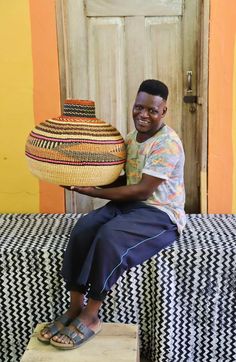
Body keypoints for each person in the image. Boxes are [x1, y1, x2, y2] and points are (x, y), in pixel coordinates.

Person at [38, 79, 186, 349]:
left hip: (160, 212)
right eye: (139, 107)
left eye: (152, 110)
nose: (143, 115)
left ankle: (92, 314)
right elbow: (123, 179)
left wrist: (92, 193)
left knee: (109, 236)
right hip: (131, 205)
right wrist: (83, 181)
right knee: (85, 227)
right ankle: (74, 307)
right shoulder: (131, 139)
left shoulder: (167, 144)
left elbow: (142, 191)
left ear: (163, 111)